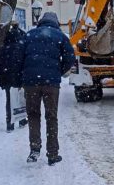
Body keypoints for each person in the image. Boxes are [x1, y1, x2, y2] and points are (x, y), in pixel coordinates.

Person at [22, 12, 76, 165]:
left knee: (33, 115)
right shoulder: (60, 36)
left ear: (40, 22)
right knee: (51, 117)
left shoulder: (29, 35)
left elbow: (19, 57)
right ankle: (52, 154)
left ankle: (34, 149)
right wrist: (58, 71)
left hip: (31, 83)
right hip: (51, 84)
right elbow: (70, 57)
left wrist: (24, 75)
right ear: (56, 23)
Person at [0, 21, 28, 133]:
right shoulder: (22, 49)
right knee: (20, 99)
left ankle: (10, 124)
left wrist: (1, 82)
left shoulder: (2, 50)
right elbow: (25, 65)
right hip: (19, 79)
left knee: (9, 101)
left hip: (7, 79)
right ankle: (22, 120)